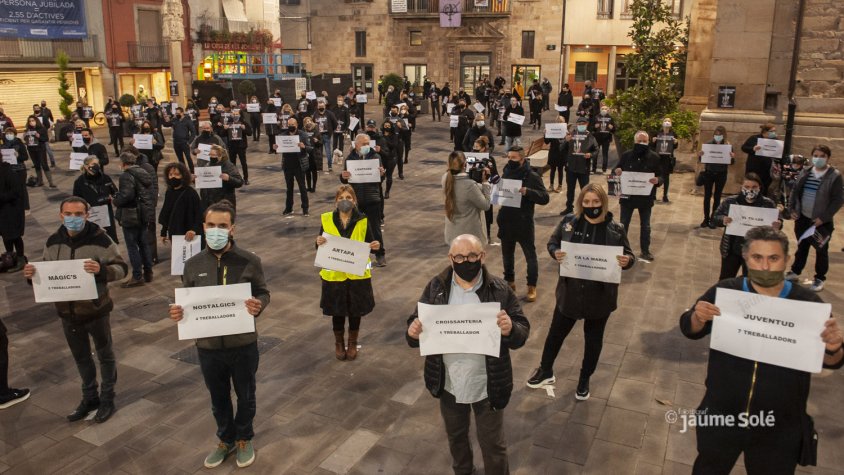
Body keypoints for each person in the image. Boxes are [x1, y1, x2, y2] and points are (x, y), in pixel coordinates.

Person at [679, 225, 843, 474]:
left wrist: (835, 346)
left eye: (773, 258)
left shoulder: (808, 304)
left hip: (780, 425)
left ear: (787, 259)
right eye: (757, 257)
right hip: (722, 415)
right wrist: (697, 317)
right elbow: (690, 329)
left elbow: (832, 360)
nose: (765, 267)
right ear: (746, 258)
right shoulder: (727, 291)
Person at [406, 234, 530, 475]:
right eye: (459, 257)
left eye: (472, 255)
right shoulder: (436, 287)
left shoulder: (500, 289)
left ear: (482, 256)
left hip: (487, 384)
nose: (466, 261)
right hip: (450, 382)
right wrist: (412, 331)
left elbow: (522, 330)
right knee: (456, 438)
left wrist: (510, 329)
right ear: (451, 258)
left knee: (493, 445)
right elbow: (415, 321)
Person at [169, 200, 270, 469]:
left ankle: (244, 438)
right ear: (203, 227)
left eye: (222, 226)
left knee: (246, 394)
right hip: (208, 346)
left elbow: (262, 292)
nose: (216, 230)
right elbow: (186, 301)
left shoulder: (250, 261)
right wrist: (179, 313)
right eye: (211, 226)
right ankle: (225, 439)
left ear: (232, 228)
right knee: (218, 397)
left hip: (243, 343)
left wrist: (258, 305)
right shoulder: (191, 265)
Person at [23, 197, 128, 422]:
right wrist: (33, 277)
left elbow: (121, 268)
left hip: (95, 310)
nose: (73, 218)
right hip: (68, 314)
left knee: (105, 355)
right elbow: (47, 274)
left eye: (79, 214)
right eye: (68, 214)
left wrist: (101, 270)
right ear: (61, 215)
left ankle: (107, 398)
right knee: (81, 358)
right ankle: (89, 397)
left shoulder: (101, 239)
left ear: (87, 215)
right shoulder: (53, 242)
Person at [527, 184, 635, 397]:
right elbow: (552, 242)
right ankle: (546, 369)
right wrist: (555, 252)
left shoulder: (616, 229)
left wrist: (627, 261)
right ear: (581, 203)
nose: (591, 206)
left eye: (595, 202)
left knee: (593, 341)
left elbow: (629, 255)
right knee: (555, 335)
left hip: (600, 296)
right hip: (570, 293)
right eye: (587, 202)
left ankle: (584, 378)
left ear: (603, 202)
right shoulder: (569, 222)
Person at [316, 186, 380, 361]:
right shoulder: (327, 219)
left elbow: (372, 243)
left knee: (355, 311)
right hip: (334, 275)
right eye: (342, 197)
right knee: (337, 311)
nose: (345, 200)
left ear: (355, 201)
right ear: (336, 200)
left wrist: (376, 246)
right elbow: (320, 245)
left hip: (356, 275)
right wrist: (319, 241)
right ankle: (338, 342)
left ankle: (352, 342)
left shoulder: (363, 220)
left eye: (349, 198)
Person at [785, 145, 843, 292]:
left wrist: (823, 218)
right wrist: (792, 209)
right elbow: (795, 191)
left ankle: (819, 278)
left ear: (828, 158)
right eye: (816, 155)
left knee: (821, 250)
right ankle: (795, 271)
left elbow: (838, 200)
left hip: (821, 221)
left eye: (822, 156)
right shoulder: (806, 171)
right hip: (803, 217)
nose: (818, 158)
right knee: (802, 246)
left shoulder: (834, 175)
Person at [496, 146, 550, 302]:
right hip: (506, 219)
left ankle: (531, 286)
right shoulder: (506, 171)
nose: (510, 160)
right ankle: (509, 283)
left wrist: (528, 192)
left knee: (530, 256)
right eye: (509, 157)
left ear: (522, 158)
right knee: (507, 255)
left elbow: (545, 198)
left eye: (513, 157)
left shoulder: (531, 176)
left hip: (523, 222)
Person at [712, 173, 779, 279]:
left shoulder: (768, 204)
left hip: (756, 252)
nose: (750, 190)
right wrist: (723, 220)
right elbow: (715, 217)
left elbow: (777, 223)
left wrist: (777, 225)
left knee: (751, 283)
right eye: (747, 187)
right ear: (741, 187)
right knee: (726, 281)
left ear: (759, 187)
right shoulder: (731, 201)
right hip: (732, 249)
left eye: (754, 187)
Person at [341, 133, 387, 267]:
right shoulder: (350, 159)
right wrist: (343, 176)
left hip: (373, 198)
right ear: (356, 145)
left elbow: (381, 178)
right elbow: (345, 179)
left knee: (375, 229)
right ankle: (357, 257)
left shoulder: (376, 157)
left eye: (368, 143)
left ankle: (380, 254)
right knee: (356, 229)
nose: (367, 146)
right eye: (364, 144)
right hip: (357, 199)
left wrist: (382, 174)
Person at [615, 131, 662, 261]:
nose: (642, 143)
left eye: (644, 141)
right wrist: (617, 171)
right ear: (635, 141)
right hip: (627, 197)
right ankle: (621, 249)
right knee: (623, 224)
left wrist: (658, 180)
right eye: (640, 141)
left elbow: (661, 175)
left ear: (648, 142)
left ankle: (645, 251)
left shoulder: (654, 157)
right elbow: (617, 169)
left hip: (645, 198)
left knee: (645, 226)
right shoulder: (626, 155)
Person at [113, 153, 155, 287]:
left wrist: (115, 200)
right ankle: (148, 272)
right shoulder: (143, 172)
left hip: (131, 215)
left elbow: (127, 195)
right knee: (144, 244)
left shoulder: (126, 175)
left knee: (132, 246)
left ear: (124, 163)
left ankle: (137, 276)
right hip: (143, 213)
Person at [443, 151, 492, 245]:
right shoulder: (470, 186)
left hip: (452, 233)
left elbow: (462, 187)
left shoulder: (445, 178)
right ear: (465, 164)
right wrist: (485, 182)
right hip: (470, 236)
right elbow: (486, 205)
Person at [72, 156, 119, 244]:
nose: (96, 166)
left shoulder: (106, 178)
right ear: (86, 166)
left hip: (106, 217)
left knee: (109, 241)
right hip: (91, 217)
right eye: (94, 164)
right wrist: (84, 204)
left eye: (98, 164)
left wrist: (113, 197)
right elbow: (76, 200)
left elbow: (115, 192)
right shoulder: (79, 182)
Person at [159, 162, 204, 247]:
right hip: (175, 231)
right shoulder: (169, 192)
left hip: (189, 232)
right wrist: (163, 232)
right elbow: (167, 212)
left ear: (183, 176)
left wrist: (194, 230)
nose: (173, 177)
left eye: (177, 174)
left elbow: (199, 213)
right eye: (170, 174)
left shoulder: (191, 193)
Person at [698, 126, 735, 228]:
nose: (718, 137)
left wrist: (732, 157)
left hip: (721, 174)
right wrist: (700, 155)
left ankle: (714, 218)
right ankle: (706, 219)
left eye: (720, 135)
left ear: (724, 135)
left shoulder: (728, 146)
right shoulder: (708, 145)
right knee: (707, 196)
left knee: (717, 197)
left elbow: (731, 162)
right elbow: (702, 160)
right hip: (709, 173)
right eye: (716, 134)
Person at [273, 118, 311, 216]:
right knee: (289, 188)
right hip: (287, 166)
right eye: (289, 124)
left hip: (299, 165)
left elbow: (310, 148)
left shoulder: (303, 135)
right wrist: (275, 148)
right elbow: (278, 149)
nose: (291, 126)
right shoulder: (282, 136)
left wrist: (304, 147)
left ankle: (305, 209)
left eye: (293, 124)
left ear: (297, 124)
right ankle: (289, 208)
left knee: (302, 188)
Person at [562, 118, 598, 214]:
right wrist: (565, 141)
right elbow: (561, 149)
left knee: (585, 190)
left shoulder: (590, 136)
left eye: (583, 123)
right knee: (570, 190)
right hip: (571, 168)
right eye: (579, 123)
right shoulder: (571, 135)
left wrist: (590, 155)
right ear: (576, 124)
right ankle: (569, 207)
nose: (581, 125)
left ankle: (585, 208)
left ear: (587, 124)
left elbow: (596, 150)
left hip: (583, 168)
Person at [0, 151, 27, 269]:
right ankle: (9, 258)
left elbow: (16, 192)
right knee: (5, 236)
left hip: (11, 209)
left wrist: (1, 197)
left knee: (14, 235)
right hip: (2, 211)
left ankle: (21, 258)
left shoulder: (8, 172)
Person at [199, 145, 243, 211]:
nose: (211, 157)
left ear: (220, 155)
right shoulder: (207, 164)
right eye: (210, 154)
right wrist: (197, 179)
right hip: (208, 203)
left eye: (213, 155)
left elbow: (239, 182)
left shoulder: (228, 166)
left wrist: (229, 178)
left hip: (223, 203)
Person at [472, 136, 499, 243]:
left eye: (477, 147)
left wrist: (489, 173)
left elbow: (496, 176)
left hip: (487, 189)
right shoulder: (471, 158)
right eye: (474, 146)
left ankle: (487, 234)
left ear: (483, 148)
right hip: (474, 189)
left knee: (487, 212)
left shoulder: (490, 159)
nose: (474, 148)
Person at [741, 123, 778, 197]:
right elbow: (744, 148)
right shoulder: (754, 138)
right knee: (751, 188)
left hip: (767, 171)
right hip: (754, 169)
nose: (774, 133)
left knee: (764, 189)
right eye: (772, 131)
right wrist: (753, 149)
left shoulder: (775, 141)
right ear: (765, 132)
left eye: (775, 131)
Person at [2, 126, 29, 211]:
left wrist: (18, 156)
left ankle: (25, 207)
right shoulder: (3, 144)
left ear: (14, 134)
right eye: (7, 133)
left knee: (22, 188)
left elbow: (25, 157)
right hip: (8, 170)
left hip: (19, 170)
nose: (8, 135)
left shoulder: (19, 143)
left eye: (10, 133)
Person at [23, 115, 54, 187]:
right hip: (31, 149)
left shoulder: (42, 129)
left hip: (40, 149)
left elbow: (45, 139)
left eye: (33, 120)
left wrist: (39, 136)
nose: (31, 122)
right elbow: (25, 140)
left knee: (44, 164)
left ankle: (51, 182)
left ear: (36, 121)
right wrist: (25, 136)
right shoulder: (28, 130)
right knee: (37, 165)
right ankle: (40, 181)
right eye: (30, 121)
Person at [652, 118, 678, 202]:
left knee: (666, 177)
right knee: (656, 175)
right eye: (665, 121)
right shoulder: (657, 133)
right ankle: (654, 194)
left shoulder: (673, 134)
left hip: (667, 158)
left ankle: (665, 195)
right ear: (662, 123)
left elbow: (675, 146)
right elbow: (653, 145)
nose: (667, 122)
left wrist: (675, 142)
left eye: (669, 121)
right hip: (658, 158)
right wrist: (653, 141)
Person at [225, 109, 252, 185]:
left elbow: (250, 133)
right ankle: (234, 178)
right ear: (231, 115)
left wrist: (244, 129)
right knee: (232, 163)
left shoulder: (243, 122)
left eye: (237, 114)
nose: (235, 115)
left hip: (241, 146)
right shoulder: (228, 123)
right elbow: (222, 134)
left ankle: (246, 178)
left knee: (243, 163)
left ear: (239, 114)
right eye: (233, 114)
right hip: (231, 146)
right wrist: (225, 129)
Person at [544, 116, 567, 193]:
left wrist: (567, 136)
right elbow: (547, 142)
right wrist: (545, 133)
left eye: (561, 122)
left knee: (560, 170)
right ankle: (551, 185)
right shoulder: (552, 130)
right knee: (552, 169)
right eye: (558, 122)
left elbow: (566, 143)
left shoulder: (566, 131)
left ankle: (560, 186)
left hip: (561, 153)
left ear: (563, 122)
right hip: (553, 152)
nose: (559, 123)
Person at [313, 101, 337, 171]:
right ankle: (319, 168)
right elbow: (313, 123)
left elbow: (335, 123)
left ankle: (329, 167)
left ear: (325, 106)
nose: (321, 107)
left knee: (328, 152)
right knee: (319, 153)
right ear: (317, 107)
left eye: (322, 106)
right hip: (318, 136)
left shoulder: (330, 114)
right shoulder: (315, 114)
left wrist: (330, 131)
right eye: (319, 106)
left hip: (326, 135)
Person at [172, 107, 197, 173]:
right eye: (176, 113)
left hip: (185, 142)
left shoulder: (187, 120)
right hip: (176, 142)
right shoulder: (175, 120)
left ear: (182, 113)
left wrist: (189, 142)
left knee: (188, 158)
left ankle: (192, 172)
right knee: (180, 159)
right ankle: (184, 172)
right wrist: (164, 118)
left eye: (178, 113)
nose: (177, 114)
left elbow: (193, 132)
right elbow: (166, 124)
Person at [592, 106, 615, 173]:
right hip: (597, 138)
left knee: (605, 154)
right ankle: (593, 168)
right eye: (602, 109)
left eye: (605, 109)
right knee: (595, 153)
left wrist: (612, 128)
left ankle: (604, 169)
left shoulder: (610, 118)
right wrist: (594, 127)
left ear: (608, 110)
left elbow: (614, 130)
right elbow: (591, 128)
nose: (604, 110)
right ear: (600, 109)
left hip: (606, 138)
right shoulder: (596, 117)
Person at [303, 117, 322, 192]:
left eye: (309, 121)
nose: (308, 122)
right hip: (306, 153)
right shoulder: (303, 130)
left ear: (312, 121)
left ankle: (314, 187)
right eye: (306, 121)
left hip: (314, 154)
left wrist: (317, 141)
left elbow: (321, 142)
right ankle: (309, 187)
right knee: (307, 171)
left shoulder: (316, 130)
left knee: (314, 171)